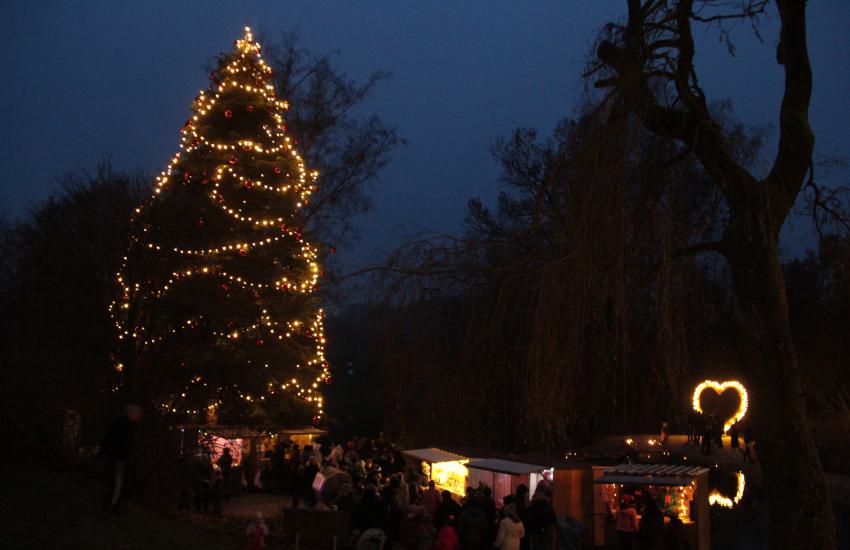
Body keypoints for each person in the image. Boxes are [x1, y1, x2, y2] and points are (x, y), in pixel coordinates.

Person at [98, 404, 143, 512]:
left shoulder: (117, 422)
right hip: (119, 456)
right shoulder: (126, 425)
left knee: (114, 480)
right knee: (118, 481)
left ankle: (111, 503)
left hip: (114, 454)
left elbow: (108, 437)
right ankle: (112, 505)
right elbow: (123, 442)